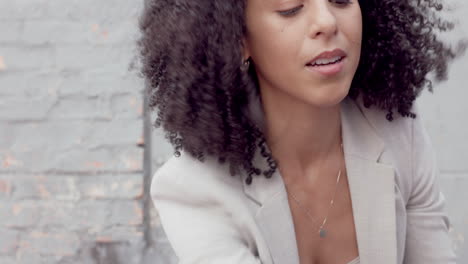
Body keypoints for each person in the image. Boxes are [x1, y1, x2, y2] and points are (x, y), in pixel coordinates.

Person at [137, 0, 467, 263]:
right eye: (291, 9)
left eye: (341, 0)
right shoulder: (193, 190)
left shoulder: (397, 131)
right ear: (238, 39)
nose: (327, 22)